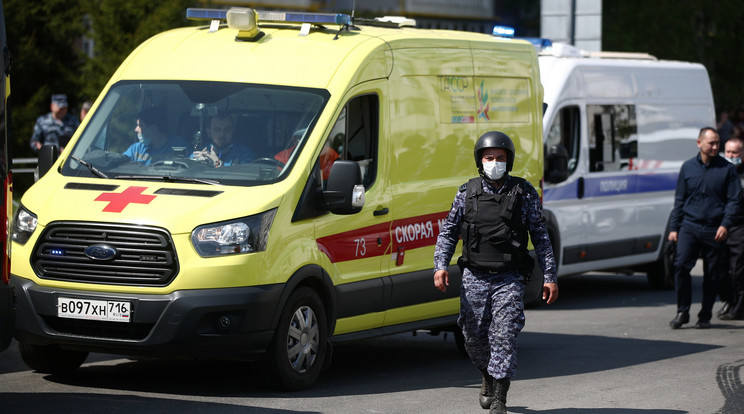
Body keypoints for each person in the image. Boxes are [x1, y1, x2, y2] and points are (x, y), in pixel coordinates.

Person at [433, 131, 558, 414]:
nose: (495, 162)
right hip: (474, 276)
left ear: (509, 161)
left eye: (500, 158)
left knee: (505, 334)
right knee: (473, 336)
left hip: (510, 277)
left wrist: (550, 276)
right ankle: (487, 377)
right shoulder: (466, 193)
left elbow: (541, 238)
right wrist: (440, 266)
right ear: (480, 161)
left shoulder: (524, 193)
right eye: (489, 158)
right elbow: (449, 233)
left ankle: (500, 398)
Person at [668, 127, 740, 329]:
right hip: (689, 226)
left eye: (717, 142)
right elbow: (680, 199)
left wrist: (725, 224)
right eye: (712, 143)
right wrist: (674, 228)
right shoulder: (688, 167)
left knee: (712, 274)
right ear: (699, 143)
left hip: (714, 228)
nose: (716, 146)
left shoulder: (727, 169)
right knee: (681, 266)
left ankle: (705, 314)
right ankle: (682, 311)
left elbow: (734, 201)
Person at [719, 137, 744, 320]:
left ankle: (739, 307)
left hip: (740, 227)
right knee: (719, 270)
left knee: (738, 270)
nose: (730, 156)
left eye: (734, 152)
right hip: (721, 226)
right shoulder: (720, 171)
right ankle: (729, 300)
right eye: (728, 152)